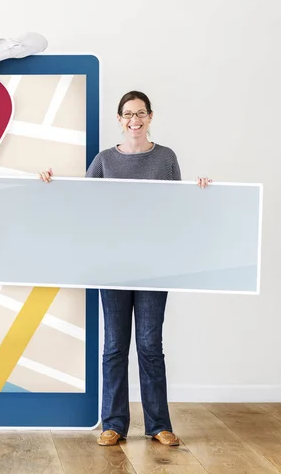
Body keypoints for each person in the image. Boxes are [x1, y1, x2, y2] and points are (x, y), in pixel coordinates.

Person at [39, 90, 211, 447]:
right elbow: (81, 206)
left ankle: (158, 425)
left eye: (141, 113)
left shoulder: (165, 159)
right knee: (115, 346)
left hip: (154, 265)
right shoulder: (104, 161)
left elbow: (177, 209)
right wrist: (52, 185)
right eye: (128, 114)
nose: (135, 119)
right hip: (112, 265)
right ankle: (113, 424)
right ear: (119, 120)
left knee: (150, 345)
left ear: (150, 117)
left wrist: (200, 191)